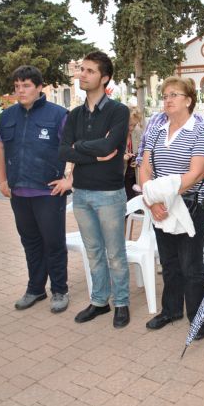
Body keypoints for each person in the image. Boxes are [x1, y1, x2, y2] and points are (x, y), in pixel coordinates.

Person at [58, 51, 131, 328]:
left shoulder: (118, 111)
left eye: (89, 71)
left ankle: (121, 303)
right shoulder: (74, 115)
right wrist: (87, 151)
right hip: (81, 193)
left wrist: (80, 149)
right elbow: (63, 150)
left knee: (115, 252)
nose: (82, 75)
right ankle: (100, 301)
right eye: (82, 70)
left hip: (109, 195)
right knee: (93, 251)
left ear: (105, 77)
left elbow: (109, 147)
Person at [139, 76, 204, 339]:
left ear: (189, 101)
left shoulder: (201, 131)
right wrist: (151, 201)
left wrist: (164, 199)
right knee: (169, 263)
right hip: (160, 206)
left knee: (191, 265)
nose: (167, 99)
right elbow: (145, 168)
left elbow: (196, 174)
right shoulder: (157, 130)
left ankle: (199, 319)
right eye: (165, 95)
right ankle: (171, 310)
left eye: (174, 95)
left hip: (190, 208)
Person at [0, 65, 70, 313]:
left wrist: (69, 179)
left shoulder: (58, 115)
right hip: (19, 191)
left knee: (53, 242)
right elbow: (0, 149)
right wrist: (2, 180)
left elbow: (75, 149)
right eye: (17, 86)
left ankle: (59, 290)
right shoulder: (7, 116)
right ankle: (35, 288)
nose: (21, 90)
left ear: (39, 87)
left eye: (26, 85)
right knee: (31, 242)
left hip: (48, 193)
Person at [124, 106, 143, 200]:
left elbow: (142, 150)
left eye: (134, 125)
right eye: (129, 124)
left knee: (130, 203)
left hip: (132, 175)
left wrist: (138, 158)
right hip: (118, 175)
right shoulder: (115, 132)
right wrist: (122, 157)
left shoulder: (138, 131)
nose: (131, 128)